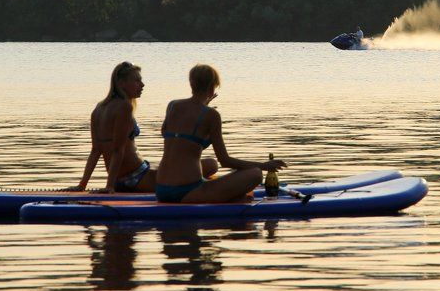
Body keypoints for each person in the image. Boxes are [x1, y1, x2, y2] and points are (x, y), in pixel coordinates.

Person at [72, 61, 218, 193]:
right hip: (135, 179)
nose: (142, 85)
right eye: (137, 80)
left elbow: (95, 150)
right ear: (121, 83)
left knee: (169, 167)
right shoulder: (124, 107)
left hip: (124, 179)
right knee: (211, 164)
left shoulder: (99, 108)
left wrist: (82, 184)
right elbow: (118, 150)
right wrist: (110, 187)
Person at [155, 64, 286, 203]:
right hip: (188, 190)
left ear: (191, 84)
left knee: (211, 163)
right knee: (255, 173)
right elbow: (225, 160)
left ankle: (232, 198)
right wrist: (264, 166)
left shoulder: (173, 105)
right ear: (213, 87)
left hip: (161, 189)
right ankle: (231, 199)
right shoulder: (211, 115)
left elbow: (179, 141)